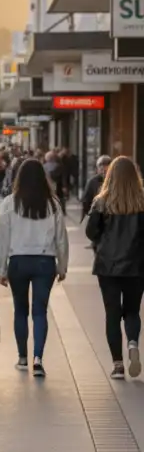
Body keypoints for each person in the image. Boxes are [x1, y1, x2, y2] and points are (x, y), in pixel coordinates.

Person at [0, 159, 68, 378]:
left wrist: (1, 268)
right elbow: (61, 239)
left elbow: (2, 238)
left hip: (18, 262)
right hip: (45, 262)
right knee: (40, 311)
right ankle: (38, 358)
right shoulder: (53, 203)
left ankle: (22, 357)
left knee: (20, 310)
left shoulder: (9, 203)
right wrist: (62, 266)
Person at [85, 156, 144, 380]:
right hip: (136, 266)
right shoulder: (142, 200)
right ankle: (132, 343)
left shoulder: (101, 201)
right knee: (132, 310)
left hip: (108, 266)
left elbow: (91, 232)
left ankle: (118, 365)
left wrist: (103, 239)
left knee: (112, 313)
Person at [81, 155, 112, 222]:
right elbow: (86, 201)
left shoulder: (115, 180)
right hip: (97, 217)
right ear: (97, 169)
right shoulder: (92, 182)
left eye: (106, 170)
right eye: (101, 170)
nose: (104, 172)